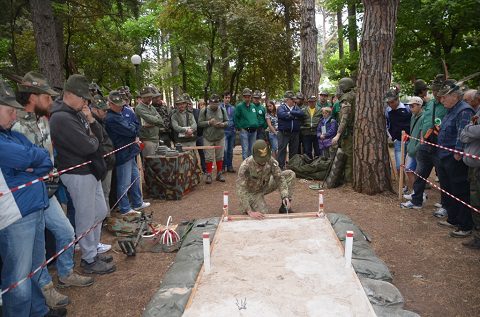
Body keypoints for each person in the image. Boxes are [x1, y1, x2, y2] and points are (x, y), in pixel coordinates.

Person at [13, 72, 94, 308]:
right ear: (32, 97)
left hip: (47, 192)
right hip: (27, 197)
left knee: (66, 232)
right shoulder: (15, 125)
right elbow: (25, 164)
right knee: (37, 251)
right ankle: (45, 288)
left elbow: (47, 157)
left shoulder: (43, 120)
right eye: (46, 97)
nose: (51, 101)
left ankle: (66, 273)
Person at [0, 78, 61, 317]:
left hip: (33, 207)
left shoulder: (11, 136)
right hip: (16, 215)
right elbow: (30, 158)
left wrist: (30, 163)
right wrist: (31, 162)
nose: (14, 117)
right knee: (18, 281)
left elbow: (43, 158)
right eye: (8, 111)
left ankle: (39, 311)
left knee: (36, 268)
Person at [50, 74, 115, 275]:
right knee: (85, 216)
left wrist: (91, 122)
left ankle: (92, 249)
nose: (86, 102)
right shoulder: (61, 117)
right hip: (77, 171)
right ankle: (88, 259)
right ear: (70, 94)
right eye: (83, 98)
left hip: (91, 170)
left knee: (100, 211)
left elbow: (100, 138)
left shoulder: (77, 113)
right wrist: (94, 141)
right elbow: (88, 146)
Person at [401, 74, 448, 212]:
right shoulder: (430, 104)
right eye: (433, 90)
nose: (435, 92)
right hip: (426, 144)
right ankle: (417, 200)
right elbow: (424, 123)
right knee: (420, 174)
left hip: (440, 145)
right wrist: (422, 139)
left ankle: (445, 205)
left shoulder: (447, 106)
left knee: (443, 177)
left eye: (438, 90)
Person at [435, 80, 475, 238]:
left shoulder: (464, 111)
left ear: (454, 96)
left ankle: (465, 224)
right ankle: (453, 218)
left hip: (454, 158)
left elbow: (462, 133)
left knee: (460, 190)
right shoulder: (451, 110)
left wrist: (458, 152)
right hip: (444, 156)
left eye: (444, 97)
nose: (441, 100)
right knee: (448, 189)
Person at [104, 90, 150, 216]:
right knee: (124, 182)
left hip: (129, 151)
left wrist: (133, 128)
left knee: (135, 177)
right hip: (122, 153)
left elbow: (136, 125)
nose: (120, 106)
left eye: (121, 104)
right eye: (117, 104)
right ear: (110, 104)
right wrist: (133, 129)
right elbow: (131, 131)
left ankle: (137, 202)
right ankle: (124, 207)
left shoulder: (120, 114)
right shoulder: (111, 118)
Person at [236, 140, 296, 219]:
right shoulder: (245, 166)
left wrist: (285, 196)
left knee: (289, 174)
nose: (263, 162)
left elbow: (279, 178)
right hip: (252, 193)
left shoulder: (270, 160)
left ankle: (284, 207)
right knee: (263, 216)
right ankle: (248, 207)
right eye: (260, 159)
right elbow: (241, 190)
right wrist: (249, 211)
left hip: (265, 185)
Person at [90, 94, 116, 214]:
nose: (106, 112)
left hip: (107, 161)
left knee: (106, 192)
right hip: (102, 162)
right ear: (95, 110)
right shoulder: (92, 123)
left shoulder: (101, 121)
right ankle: (106, 217)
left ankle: (107, 216)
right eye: (103, 110)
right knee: (104, 193)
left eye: (106, 109)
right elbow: (97, 144)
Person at [460, 103, 480, 249]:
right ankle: (477, 236)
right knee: (474, 201)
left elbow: (474, 131)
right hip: (473, 165)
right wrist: (469, 130)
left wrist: (468, 129)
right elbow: (464, 136)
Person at [198, 94, 228, 184]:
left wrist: (223, 124)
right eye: (213, 103)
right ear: (209, 102)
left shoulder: (222, 110)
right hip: (208, 137)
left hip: (220, 136)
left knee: (220, 156)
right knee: (208, 157)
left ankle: (219, 173)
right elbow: (199, 123)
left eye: (217, 103)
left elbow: (227, 121)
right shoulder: (204, 110)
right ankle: (209, 174)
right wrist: (209, 122)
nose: (215, 105)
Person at [332, 78, 356, 183]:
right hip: (350, 131)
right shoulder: (353, 95)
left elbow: (344, 119)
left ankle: (348, 179)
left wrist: (338, 134)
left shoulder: (346, 98)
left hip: (348, 132)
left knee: (347, 155)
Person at [384, 88, 412, 172]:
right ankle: (402, 185)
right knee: (399, 166)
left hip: (411, 141)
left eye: (392, 102)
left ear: (397, 99)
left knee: (411, 167)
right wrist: (392, 137)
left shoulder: (408, 108)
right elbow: (387, 124)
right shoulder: (388, 111)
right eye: (388, 103)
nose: (390, 105)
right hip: (398, 141)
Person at [277, 91, 305, 169]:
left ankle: (292, 167)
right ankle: (280, 167)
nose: (294, 101)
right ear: (287, 100)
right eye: (292, 99)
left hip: (295, 133)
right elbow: (282, 115)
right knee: (282, 150)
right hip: (283, 133)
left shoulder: (296, 107)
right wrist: (294, 115)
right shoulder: (281, 107)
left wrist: (290, 113)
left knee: (294, 151)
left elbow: (302, 114)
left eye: (294, 99)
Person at [135, 86, 164, 157]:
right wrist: (155, 120)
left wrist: (154, 121)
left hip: (156, 138)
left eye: (150, 96)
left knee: (157, 162)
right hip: (147, 140)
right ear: (142, 98)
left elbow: (161, 120)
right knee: (149, 163)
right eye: (146, 97)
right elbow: (151, 119)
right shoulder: (139, 108)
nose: (149, 98)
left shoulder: (152, 107)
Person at [404, 96, 424, 194]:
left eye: (413, 106)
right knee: (409, 170)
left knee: (417, 172)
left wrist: (417, 147)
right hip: (412, 147)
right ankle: (416, 192)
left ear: (420, 105)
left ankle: (419, 193)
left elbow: (422, 135)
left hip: (418, 149)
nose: (411, 108)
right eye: (410, 106)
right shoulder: (413, 116)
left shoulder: (424, 117)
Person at [235, 88, 258, 160]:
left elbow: (256, 116)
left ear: (251, 97)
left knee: (252, 150)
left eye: (248, 96)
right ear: (243, 97)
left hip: (254, 131)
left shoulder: (253, 106)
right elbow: (235, 118)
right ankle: (245, 168)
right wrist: (240, 127)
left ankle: (251, 167)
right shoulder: (239, 106)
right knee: (245, 149)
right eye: (245, 96)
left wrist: (256, 124)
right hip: (244, 130)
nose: (247, 98)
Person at [190, 96, 206, 173]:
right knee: (192, 154)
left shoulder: (197, 111)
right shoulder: (185, 114)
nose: (189, 105)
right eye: (188, 104)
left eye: (190, 104)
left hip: (199, 136)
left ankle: (205, 169)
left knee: (202, 153)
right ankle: (193, 170)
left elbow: (202, 122)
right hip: (190, 137)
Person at [222, 91, 236, 173]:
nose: (227, 99)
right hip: (223, 131)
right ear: (223, 98)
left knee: (230, 150)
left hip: (232, 131)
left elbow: (235, 119)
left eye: (229, 98)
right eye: (226, 97)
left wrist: (235, 127)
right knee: (225, 150)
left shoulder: (233, 108)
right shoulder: (220, 107)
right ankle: (223, 166)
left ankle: (230, 166)